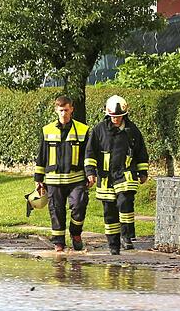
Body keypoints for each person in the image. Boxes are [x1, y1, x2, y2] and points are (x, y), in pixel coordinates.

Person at [84, 95, 149, 254]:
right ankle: (113, 245)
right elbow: (90, 152)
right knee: (109, 211)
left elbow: (141, 152)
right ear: (108, 114)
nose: (116, 119)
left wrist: (143, 172)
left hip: (126, 174)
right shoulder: (99, 130)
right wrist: (90, 172)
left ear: (124, 115)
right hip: (106, 177)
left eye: (118, 116)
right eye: (113, 116)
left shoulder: (132, 130)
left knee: (125, 202)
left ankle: (126, 237)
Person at [34, 95, 89, 253]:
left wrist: (91, 174)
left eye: (66, 110)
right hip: (53, 180)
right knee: (56, 211)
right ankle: (59, 243)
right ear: (55, 110)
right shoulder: (47, 130)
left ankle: (76, 234)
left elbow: (88, 155)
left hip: (76, 179)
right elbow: (41, 156)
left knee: (79, 206)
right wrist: (38, 179)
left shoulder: (83, 130)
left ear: (71, 109)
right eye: (60, 110)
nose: (63, 113)